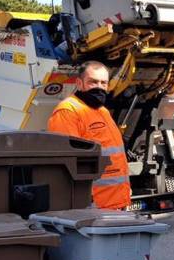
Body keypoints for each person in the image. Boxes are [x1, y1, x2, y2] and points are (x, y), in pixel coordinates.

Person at [47, 61, 132, 210]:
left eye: (104, 83)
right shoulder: (68, 111)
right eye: (93, 82)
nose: (99, 87)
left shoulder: (102, 111)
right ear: (79, 83)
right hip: (92, 205)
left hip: (115, 202)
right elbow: (69, 163)